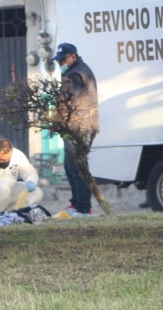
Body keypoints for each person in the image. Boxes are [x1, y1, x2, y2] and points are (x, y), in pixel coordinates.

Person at [51, 43, 99, 217]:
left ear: (72, 57)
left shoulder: (77, 74)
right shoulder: (76, 71)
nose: (59, 64)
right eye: (58, 61)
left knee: (77, 168)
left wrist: (56, 117)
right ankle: (77, 204)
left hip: (79, 128)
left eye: (62, 60)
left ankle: (84, 208)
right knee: (71, 167)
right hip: (75, 127)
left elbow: (67, 100)